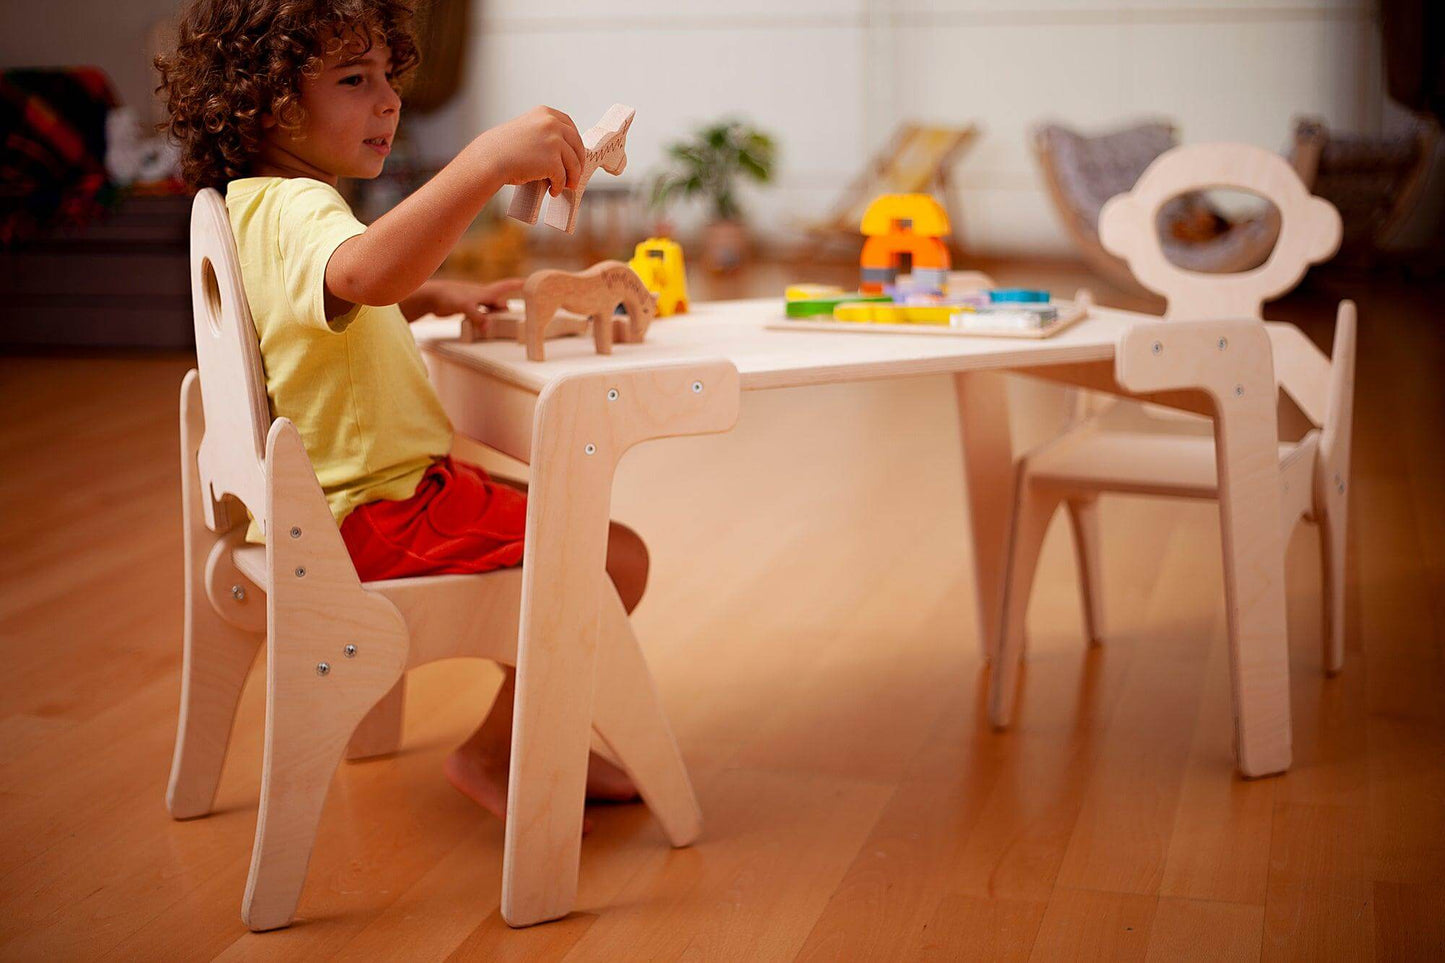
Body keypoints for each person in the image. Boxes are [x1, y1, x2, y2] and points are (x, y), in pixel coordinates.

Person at [157, 0, 645, 822]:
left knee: (569, 532)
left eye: (388, 76)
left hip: (326, 510)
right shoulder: (306, 208)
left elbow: (319, 308)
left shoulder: (250, 206)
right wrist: (482, 163)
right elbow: (364, 274)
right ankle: (499, 747)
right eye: (354, 79)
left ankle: (516, 736)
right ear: (271, 101)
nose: (387, 100)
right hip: (380, 516)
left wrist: (438, 295)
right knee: (612, 555)